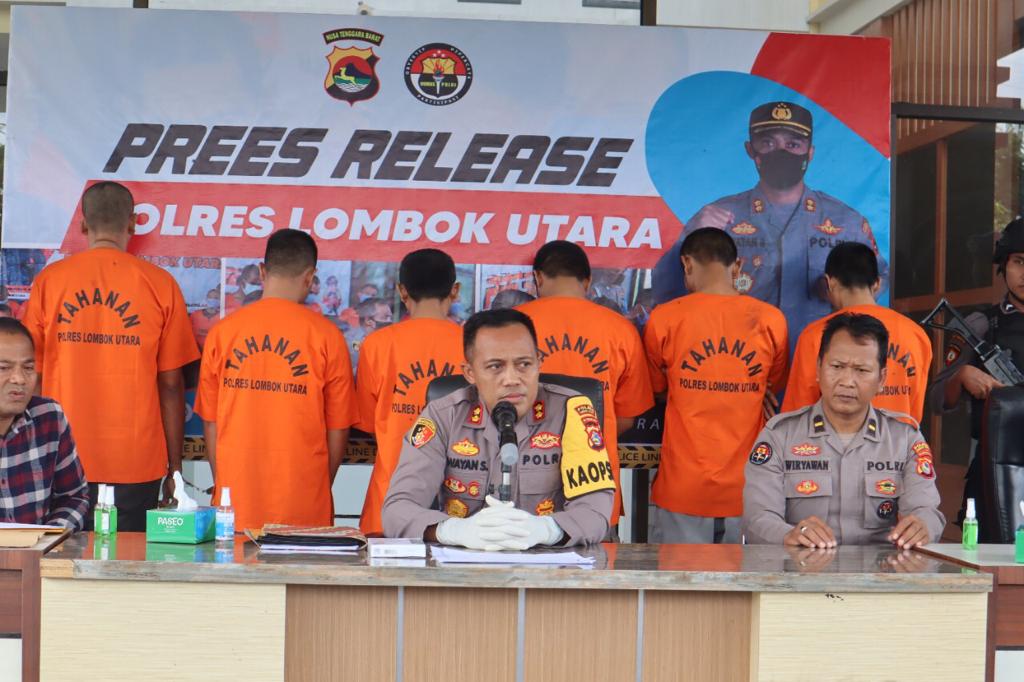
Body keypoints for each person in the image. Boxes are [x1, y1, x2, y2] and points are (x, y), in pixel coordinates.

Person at [22, 181, 199, 531]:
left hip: (59, 456)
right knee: (126, 562)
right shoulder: (160, 284)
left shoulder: (50, 282)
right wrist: (175, 468)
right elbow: (171, 385)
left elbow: (32, 376)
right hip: (135, 462)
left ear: (83, 224)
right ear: (132, 223)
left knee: (58, 561)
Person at [651, 101, 888, 341]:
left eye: (793, 144)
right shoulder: (716, 218)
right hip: (740, 354)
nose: (781, 152)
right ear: (750, 150)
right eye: (768, 143)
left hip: (818, 356)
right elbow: (665, 288)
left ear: (810, 152)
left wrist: (845, 294)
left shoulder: (847, 222)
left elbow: (880, 280)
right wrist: (690, 237)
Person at [382, 309, 615, 549]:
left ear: (539, 362)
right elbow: (397, 510)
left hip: (549, 565)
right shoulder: (443, 416)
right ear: (470, 373)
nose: (512, 379)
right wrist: (453, 531)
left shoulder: (571, 412)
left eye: (524, 364)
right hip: (462, 566)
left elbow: (595, 513)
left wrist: (547, 530)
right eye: (495, 367)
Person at [195, 229, 357, 531]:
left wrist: (224, 484)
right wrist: (320, 485)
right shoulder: (327, 337)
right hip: (304, 505)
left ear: (262, 271)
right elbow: (338, 429)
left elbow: (211, 422)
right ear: (310, 277)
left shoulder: (223, 333)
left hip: (236, 503)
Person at [744, 313, 944, 547]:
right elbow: (757, 519)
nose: (847, 381)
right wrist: (788, 535)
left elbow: (926, 510)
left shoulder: (904, 440)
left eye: (862, 370)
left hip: (879, 568)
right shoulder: (779, 435)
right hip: (801, 567)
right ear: (818, 368)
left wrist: (922, 527)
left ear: (881, 379)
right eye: (837, 367)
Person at [643, 228, 788, 543]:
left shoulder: (664, 319)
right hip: (750, 488)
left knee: (678, 575)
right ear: (737, 266)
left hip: (683, 486)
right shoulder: (770, 320)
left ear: (687, 264)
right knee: (749, 576)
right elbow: (771, 385)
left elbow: (657, 388)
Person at [517, 240, 654, 532]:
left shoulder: (512, 326)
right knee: (597, 557)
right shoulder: (621, 329)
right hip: (594, 483)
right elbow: (627, 417)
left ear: (538, 277)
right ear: (588, 281)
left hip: (523, 481)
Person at [355, 248, 464, 536]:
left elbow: (367, 422)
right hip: (461, 508)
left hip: (389, 503)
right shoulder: (473, 344)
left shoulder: (376, 344)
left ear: (402, 291)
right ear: (455, 291)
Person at [930, 218, 1024, 529]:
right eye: (1018, 261)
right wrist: (962, 376)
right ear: (1003, 266)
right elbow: (937, 399)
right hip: (994, 470)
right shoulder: (980, 325)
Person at [783, 242, 932, 421]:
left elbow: (798, 416)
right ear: (877, 284)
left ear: (830, 283)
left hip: (837, 439)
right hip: (899, 438)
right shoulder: (916, 335)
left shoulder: (816, 335)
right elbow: (914, 409)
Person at [0, 319, 89, 530]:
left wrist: (48, 538)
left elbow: (74, 497)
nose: (19, 379)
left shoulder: (49, 417)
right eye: (3, 368)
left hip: (40, 550)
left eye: (28, 368)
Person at [344, 297, 393, 368]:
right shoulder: (352, 342)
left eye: (391, 318)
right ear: (368, 321)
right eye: (385, 317)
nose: (389, 321)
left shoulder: (387, 340)